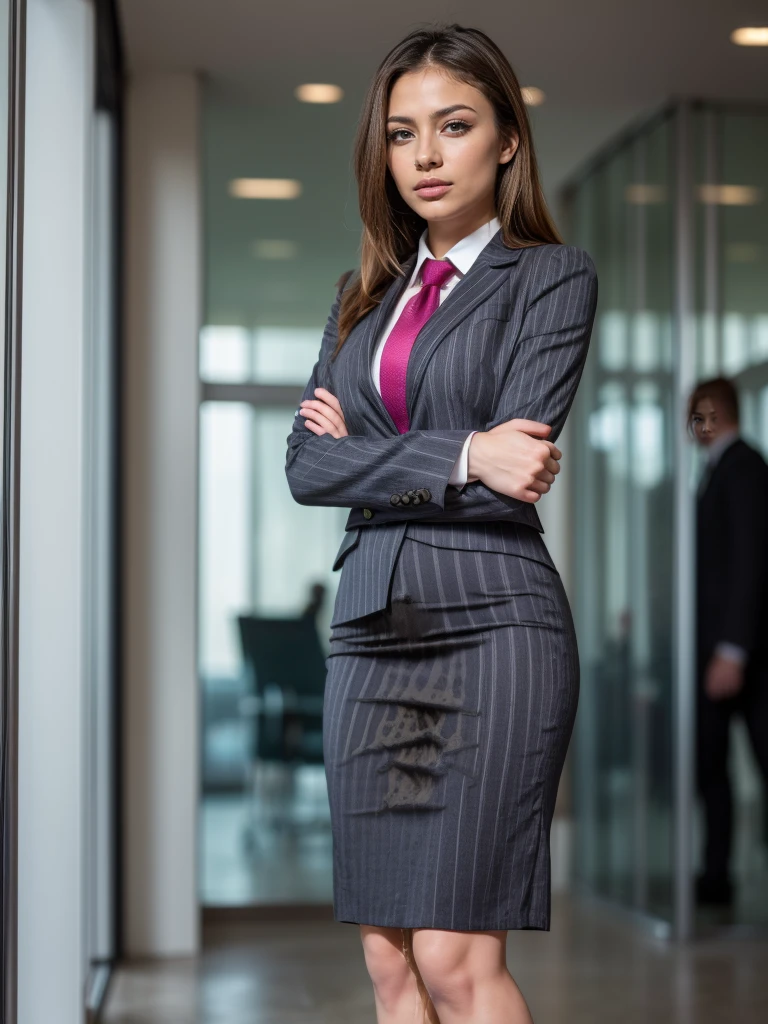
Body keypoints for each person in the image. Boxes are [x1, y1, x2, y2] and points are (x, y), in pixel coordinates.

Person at [285, 24, 597, 1024]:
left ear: (506, 139)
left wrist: (368, 460)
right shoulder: (356, 302)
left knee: (456, 958)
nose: (424, 155)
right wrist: (465, 450)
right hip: (369, 632)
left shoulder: (550, 278)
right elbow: (305, 467)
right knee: (388, 963)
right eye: (402, 132)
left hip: (494, 627)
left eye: (453, 126)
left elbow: (519, 477)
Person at [688, 377, 768, 907]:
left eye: (695, 415)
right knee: (711, 770)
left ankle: (718, 878)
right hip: (721, 653)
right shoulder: (721, 470)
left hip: (745, 657)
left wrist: (731, 651)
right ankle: (716, 879)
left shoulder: (744, 469)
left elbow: (752, 565)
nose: (690, 427)